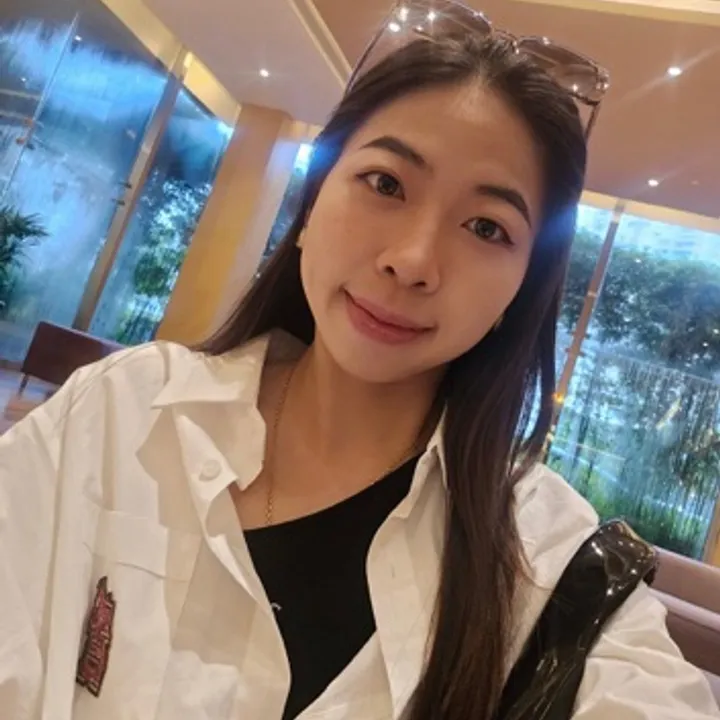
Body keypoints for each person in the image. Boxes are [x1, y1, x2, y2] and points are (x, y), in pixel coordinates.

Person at [1, 11, 718, 720]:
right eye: (385, 183)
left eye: (486, 227)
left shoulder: (551, 564)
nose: (412, 260)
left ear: (520, 290)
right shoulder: (122, 414)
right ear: (312, 202)